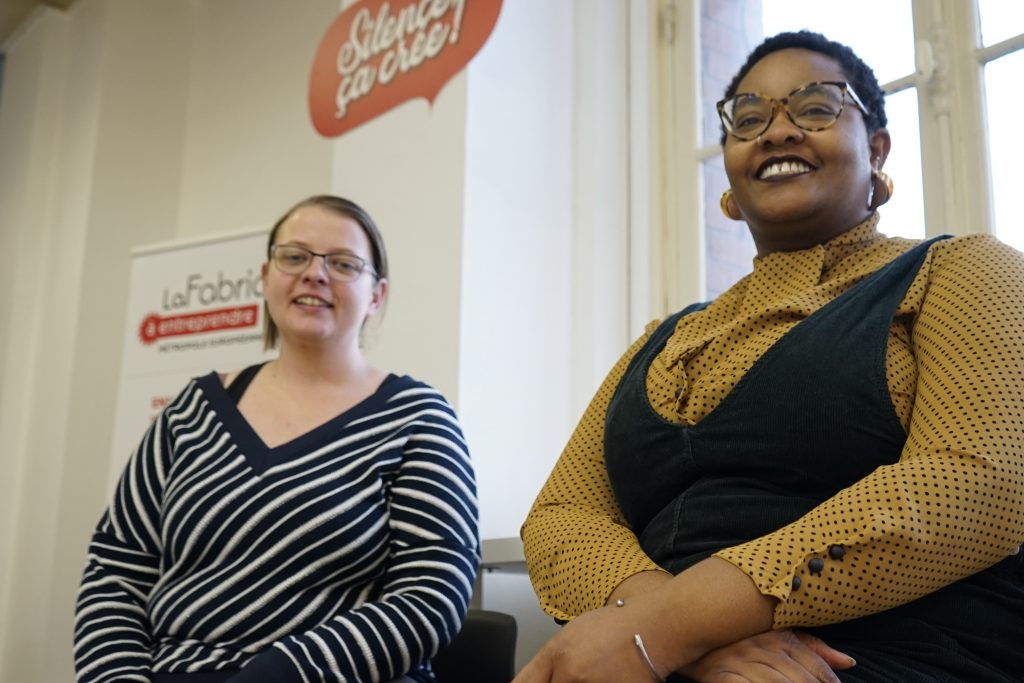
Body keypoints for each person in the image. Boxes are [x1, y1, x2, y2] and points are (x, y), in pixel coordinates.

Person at [517, 31, 1024, 683]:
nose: (777, 131)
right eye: (749, 119)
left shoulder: (962, 272)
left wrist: (668, 629)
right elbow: (563, 514)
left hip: (890, 655)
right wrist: (675, 633)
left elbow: (978, 481)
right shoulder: (660, 340)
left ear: (876, 150)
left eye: (814, 108)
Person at [74, 195, 480, 683]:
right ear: (265, 277)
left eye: (344, 263)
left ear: (377, 295)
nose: (315, 273)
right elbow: (115, 576)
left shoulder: (417, 417)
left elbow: (433, 590)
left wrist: (283, 674)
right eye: (295, 256)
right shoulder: (191, 410)